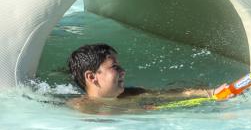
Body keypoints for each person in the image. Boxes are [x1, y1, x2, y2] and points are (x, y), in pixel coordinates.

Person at [67, 44, 221, 114]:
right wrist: (135, 110)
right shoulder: (82, 108)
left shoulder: (133, 94)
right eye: (115, 67)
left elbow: (169, 94)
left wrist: (211, 92)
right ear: (92, 77)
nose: (123, 71)